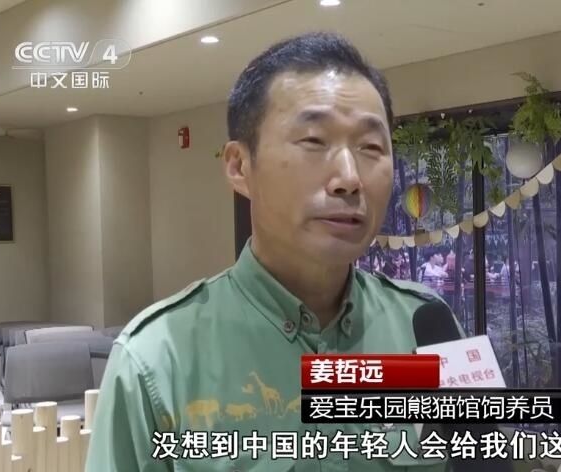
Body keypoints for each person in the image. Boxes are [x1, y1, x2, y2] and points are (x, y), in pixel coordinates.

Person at [86, 32, 453, 472]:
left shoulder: (427, 329)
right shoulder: (157, 359)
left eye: (371, 147)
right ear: (239, 166)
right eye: (313, 141)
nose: (349, 178)